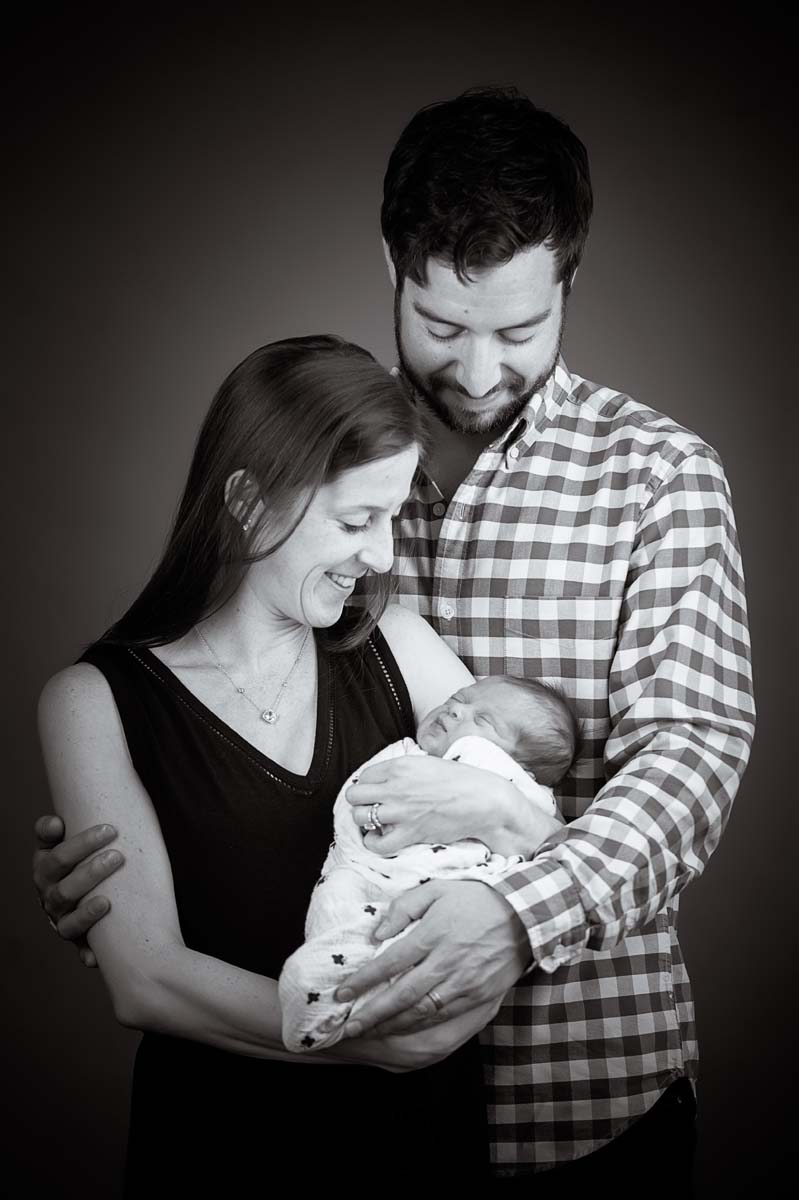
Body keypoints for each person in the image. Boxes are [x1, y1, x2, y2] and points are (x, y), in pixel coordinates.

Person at [34, 87, 755, 1190]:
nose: (478, 371)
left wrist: (515, 915)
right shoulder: (325, 454)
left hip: (581, 1087)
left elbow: (691, 758)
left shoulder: (659, 476)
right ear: (393, 267)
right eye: (443, 327)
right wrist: (131, 863)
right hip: (339, 1118)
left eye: (519, 332)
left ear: (568, 282)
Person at [36, 334, 565, 1193]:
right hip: (220, 1149)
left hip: (418, 1149)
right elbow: (147, 980)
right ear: (247, 501)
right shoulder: (91, 702)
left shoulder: (400, 646)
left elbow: (548, 838)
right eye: (355, 522)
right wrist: (370, 1039)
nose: (383, 556)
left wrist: (507, 816)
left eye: (391, 518)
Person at [279, 674, 578, 1052]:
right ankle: (339, 998)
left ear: (521, 768)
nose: (455, 710)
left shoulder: (506, 778)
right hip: (371, 879)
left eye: (483, 720)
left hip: (443, 893)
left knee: (403, 949)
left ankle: (346, 1002)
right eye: (457, 699)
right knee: (335, 909)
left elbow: (550, 842)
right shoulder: (407, 754)